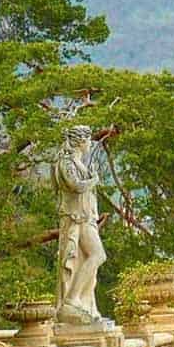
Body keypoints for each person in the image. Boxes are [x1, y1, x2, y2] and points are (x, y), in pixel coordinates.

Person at [53, 125, 106, 324]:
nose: (90, 143)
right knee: (97, 255)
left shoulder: (76, 162)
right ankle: (71, 299)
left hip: (85, 216)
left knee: (92, 256)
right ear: (80, 141)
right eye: (88, 139)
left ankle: (80, 300)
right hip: (76, 218)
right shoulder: (66, 162)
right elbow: (76, 186)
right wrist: (94, 180)